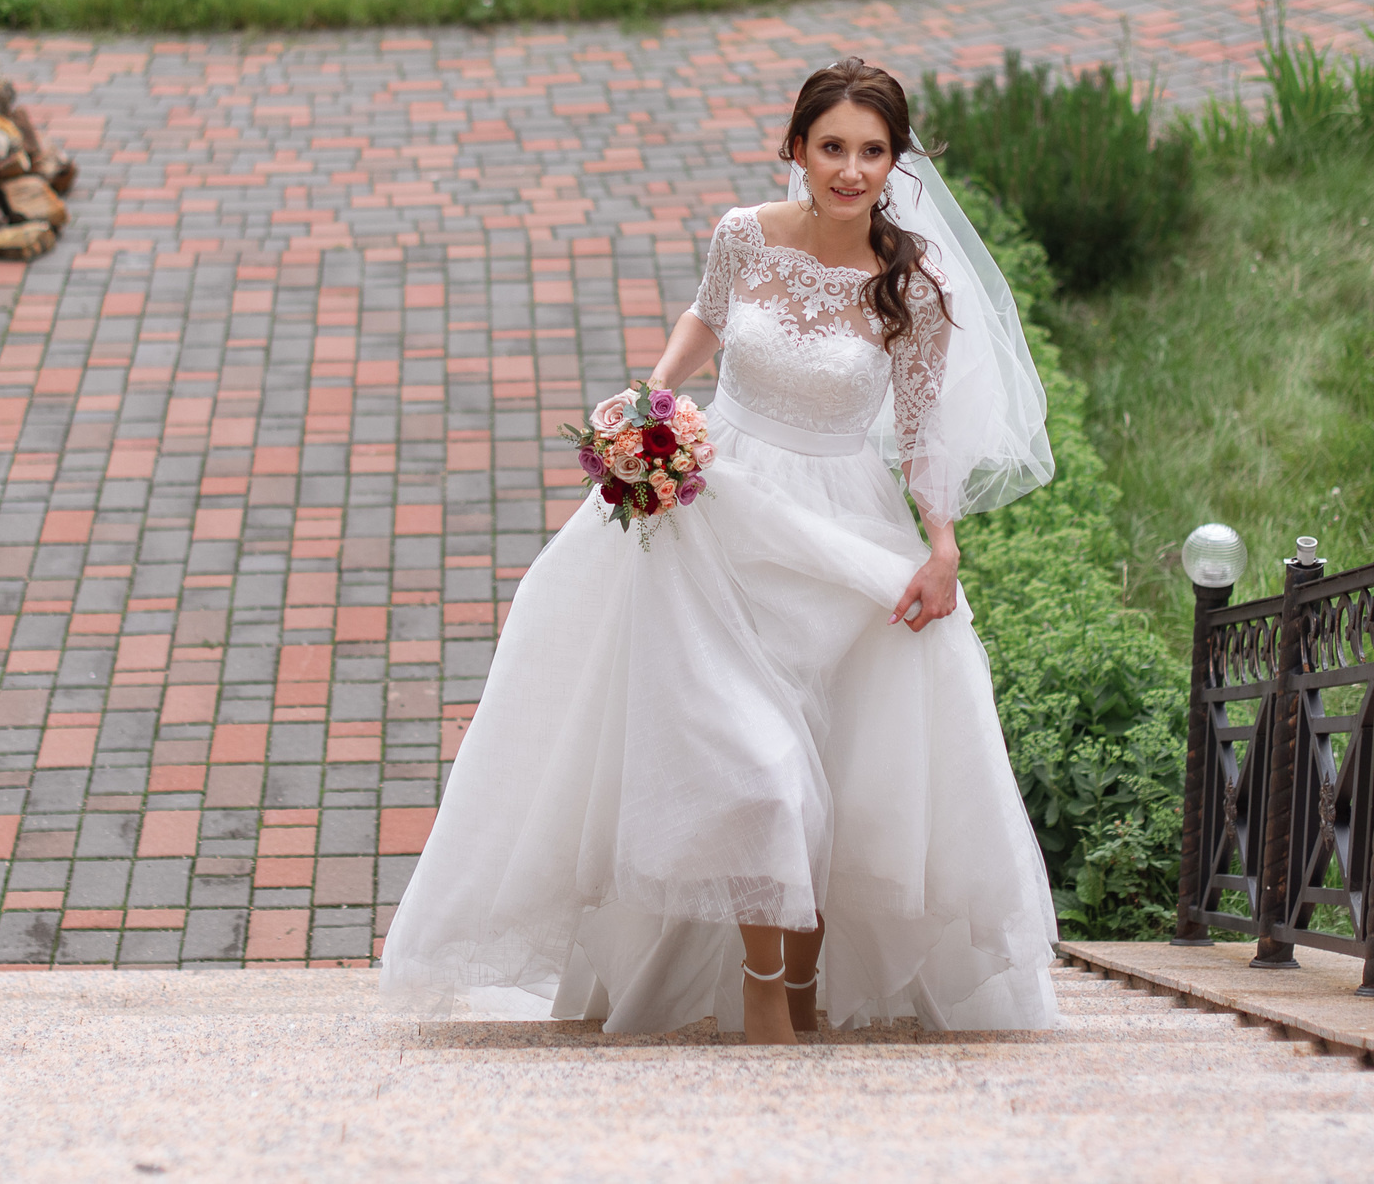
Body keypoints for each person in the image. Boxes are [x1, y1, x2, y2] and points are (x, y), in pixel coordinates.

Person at [378, 58, 1062, 1040]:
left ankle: (803, 989)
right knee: (756, 764)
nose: (851, 169)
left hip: (839, 527)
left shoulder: (911, 284)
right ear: (796, 148)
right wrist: (653, 397)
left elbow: (920, 429)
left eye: (872, 151)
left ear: (895, 162)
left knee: (839, 769)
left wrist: (941, 545)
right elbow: (707, 314)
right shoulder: (744, 234)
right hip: (713, 506)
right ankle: (762, 989)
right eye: (832, 147)